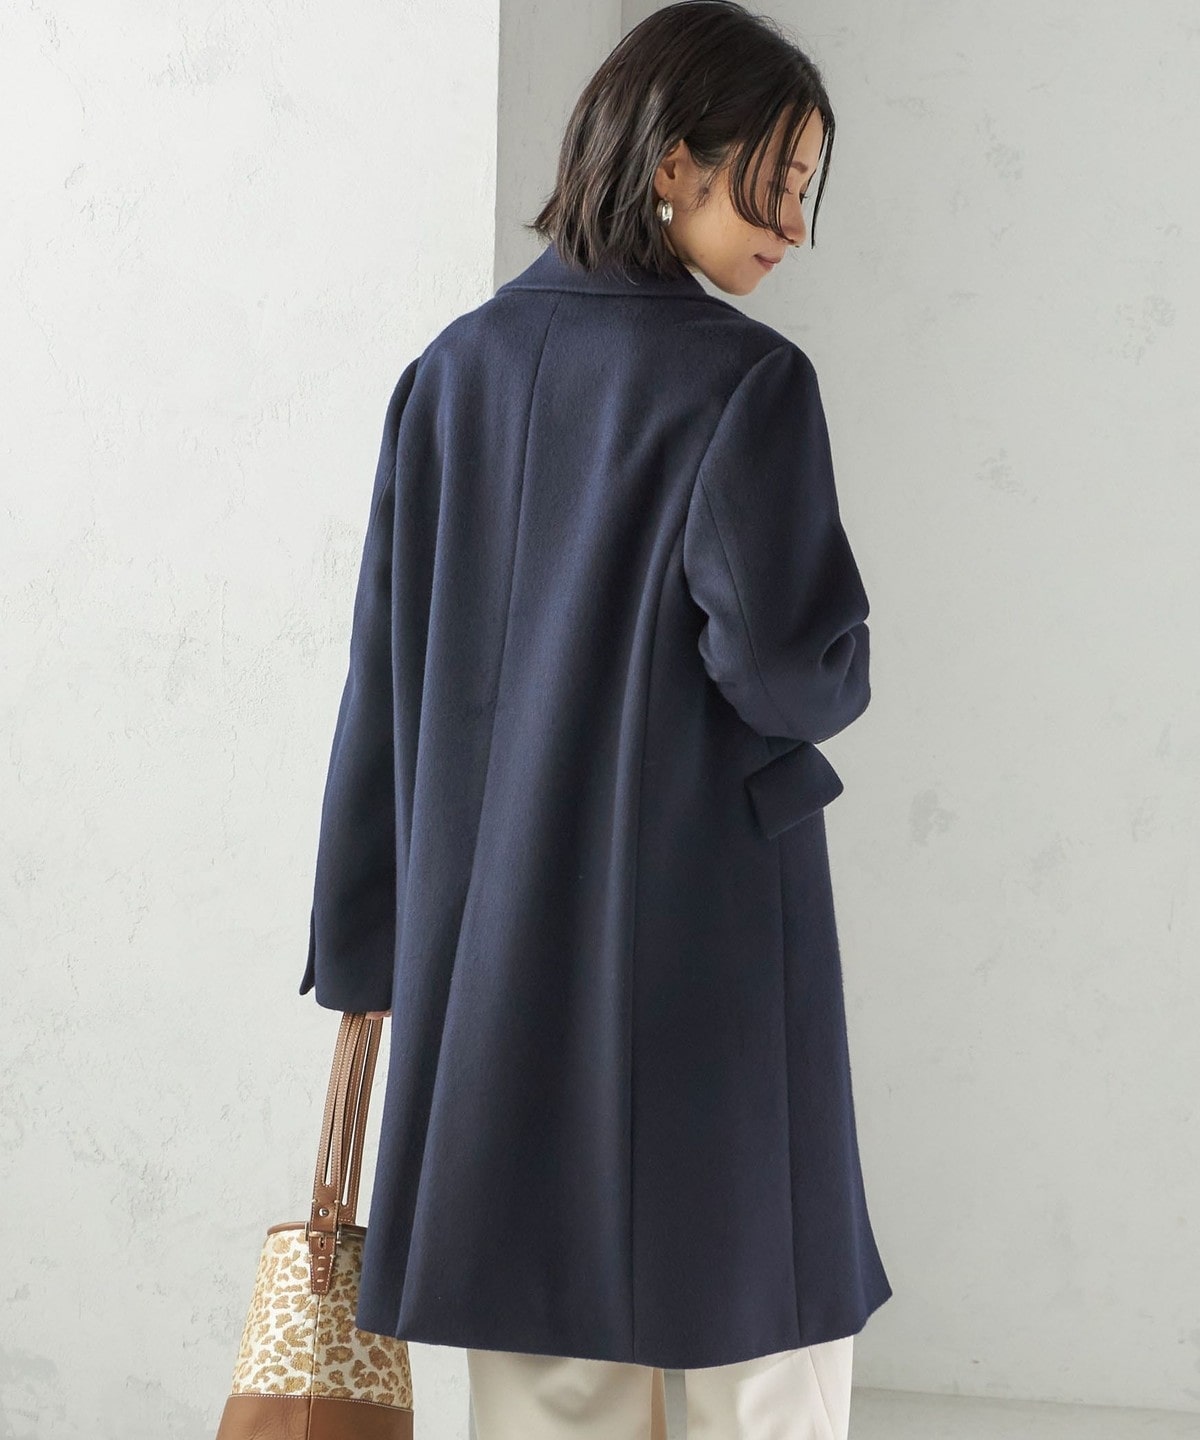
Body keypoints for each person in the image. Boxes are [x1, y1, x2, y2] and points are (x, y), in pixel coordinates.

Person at [300, 1, 893, 1435]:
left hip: (489, 958)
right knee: (764, 1359)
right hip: (703, 947)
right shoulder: (748, 382)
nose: (795, 229)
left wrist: (367, 944)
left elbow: (383, 680)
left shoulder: (450, 374)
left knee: (546, 1371)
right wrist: (844, 661)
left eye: (807, 192)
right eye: (779, 183)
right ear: (674, 160)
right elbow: (787, 669)